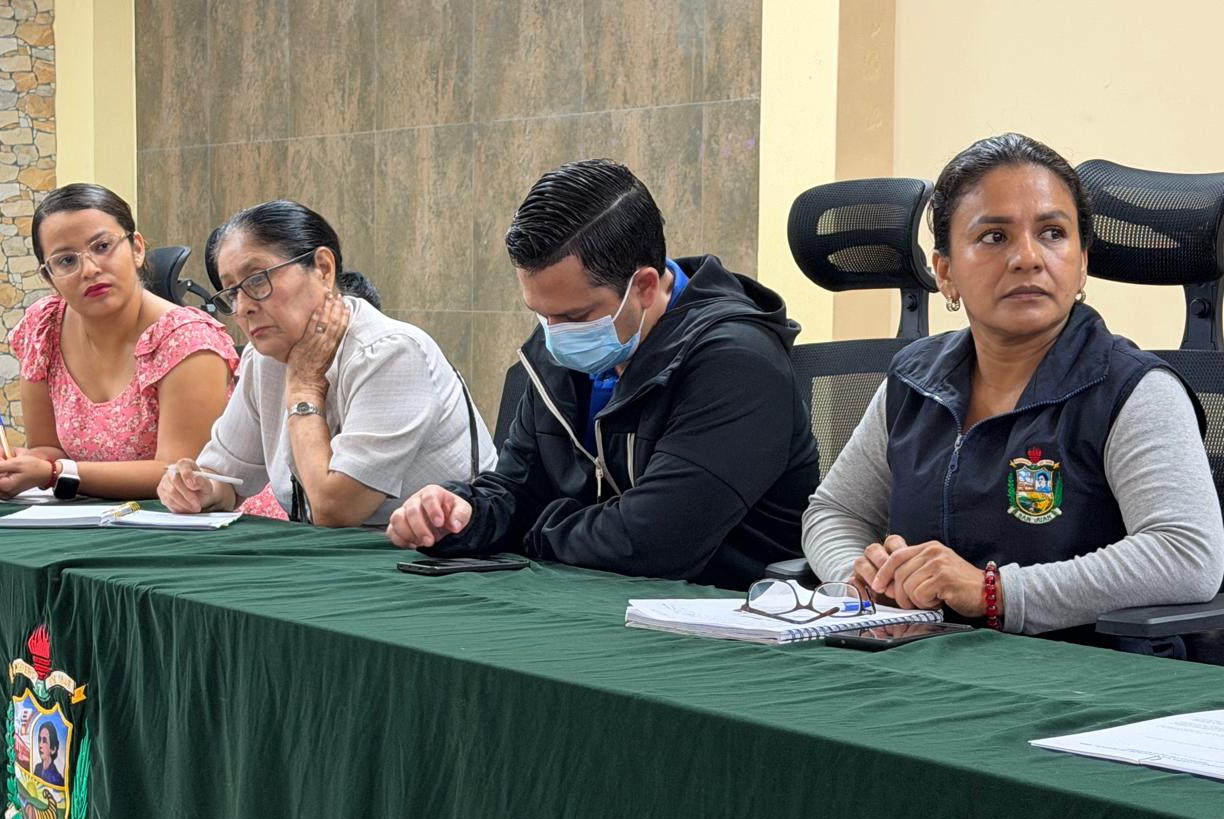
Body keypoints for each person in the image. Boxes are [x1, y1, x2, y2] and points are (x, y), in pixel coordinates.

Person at [800, 133, 1224, 637]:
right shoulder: (913, 380)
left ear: (1082, 263)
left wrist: (994, 592)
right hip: (915, 656)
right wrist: (862, 578)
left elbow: (1187, 554)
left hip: (1074, 669)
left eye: (1053, 233)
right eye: (994, 237)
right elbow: (835, 511)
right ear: (945, 272)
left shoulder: (1133, 390)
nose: (1028, 257)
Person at [387, 158, 820, 589]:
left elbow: (651, 540)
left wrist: (528, 532)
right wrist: (463, 514)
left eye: (575, 316)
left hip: (720, 610)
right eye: (541, 315)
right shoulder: (567, 345)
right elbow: (518, 490)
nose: (555, 335)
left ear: (644, 286)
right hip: (587, 594)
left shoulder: (739, 363)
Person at [158, 200, 496, 526]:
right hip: (332, 555)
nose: (243, 306)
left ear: (323, 268)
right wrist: (196, 488)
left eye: (257, 279)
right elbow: (225, 477)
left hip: (439, 555)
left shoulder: (392, 353)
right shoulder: (264, 360)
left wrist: (304, 389)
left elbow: (335, 510)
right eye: (232, 292)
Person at [0, 183, 239, 501]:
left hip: (202, 517)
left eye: (102, 246)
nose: (89, 269)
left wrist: (56, 473)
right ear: (49, 277)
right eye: (66, 261)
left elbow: (181, 474)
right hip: (95, 515)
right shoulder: (44, 328)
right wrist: (20, 461)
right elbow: (48, 448)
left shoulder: (188, 340)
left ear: (137, 248)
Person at [33, 722, 64, 787]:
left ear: (53, 749)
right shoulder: (38, 768)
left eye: (44, 741)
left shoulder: (57, 779)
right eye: (39, 740)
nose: (40, 745)